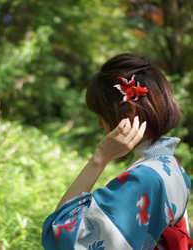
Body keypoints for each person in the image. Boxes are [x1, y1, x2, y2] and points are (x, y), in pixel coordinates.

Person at [42, 53, 192, 250]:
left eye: (101, 115)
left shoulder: (144, 178)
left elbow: (61, 237)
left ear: (128, 113)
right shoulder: (172, 167)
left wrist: (99, 158)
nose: (98, 123)